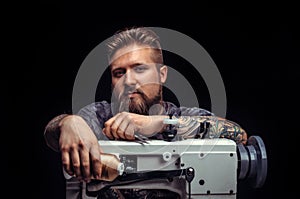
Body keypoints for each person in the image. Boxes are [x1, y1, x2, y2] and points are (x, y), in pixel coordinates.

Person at [44, 26, 247, 198]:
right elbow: (52, 135)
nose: (129, 81)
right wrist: (68, 123)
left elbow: (239, 136)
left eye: (139, 69)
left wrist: (157, 123)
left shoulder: (184, 116)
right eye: (119, 73)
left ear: (162, 74)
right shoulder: (98, 118)